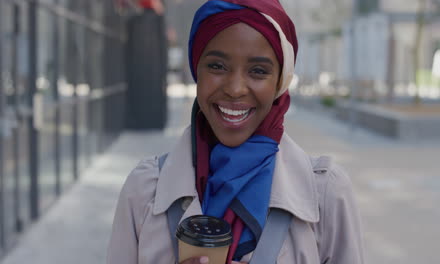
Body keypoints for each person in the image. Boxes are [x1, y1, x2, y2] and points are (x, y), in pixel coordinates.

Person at [107, 0, 365, 263]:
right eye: (217, 66)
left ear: (280, 82)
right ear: (197, 69)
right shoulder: (144, 191)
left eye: (258, 71)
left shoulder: (326, 196)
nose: (235, 88)